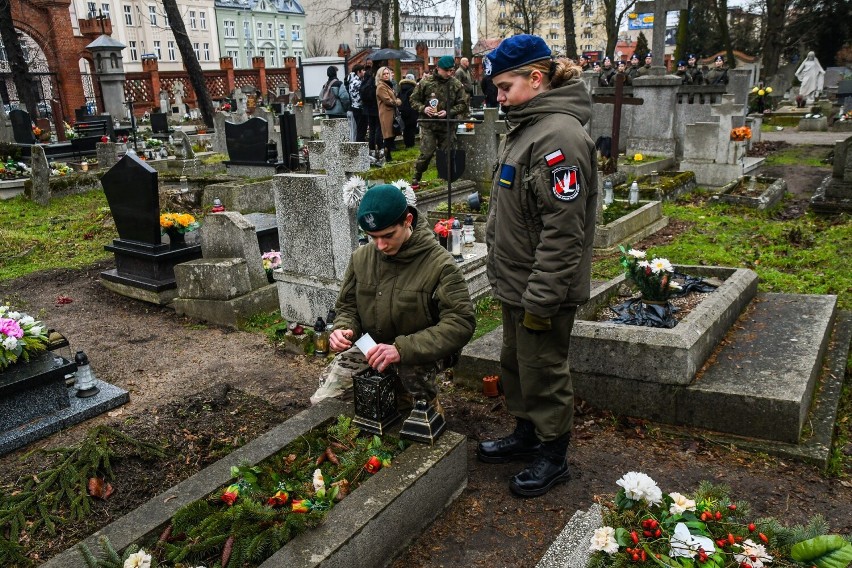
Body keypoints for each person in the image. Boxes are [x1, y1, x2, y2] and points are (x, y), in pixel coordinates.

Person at [478, 34, 598, 497]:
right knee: (517, 364)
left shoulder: (559, 138)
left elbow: (564, 232)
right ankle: (527, 434)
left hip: (541, 289)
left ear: (537, 77)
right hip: (518, 283)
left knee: (544, 370)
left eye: (506, 86)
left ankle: (553, 455)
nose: (499, 96)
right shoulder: (530, 125)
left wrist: (542, 299)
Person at [309, 184, 476, 421]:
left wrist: (401, 349)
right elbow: (347, 306)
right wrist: (343, 328)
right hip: (373, 346)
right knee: (325, 403)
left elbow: (461, 323)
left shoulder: (440, 264)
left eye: (388, 236)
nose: (380, 246)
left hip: (422, 350)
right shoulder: (361, 259)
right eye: (372, 237)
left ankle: (423, 403)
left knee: (413, 412)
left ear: (408, 220)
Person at [409, 55, 468, 189]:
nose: (448, 73)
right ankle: (416, 176)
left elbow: (463, 104)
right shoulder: (425, 83)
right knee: (427, 153)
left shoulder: (456, 84)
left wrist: (449, 112)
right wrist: (423, 108)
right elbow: (413, 100)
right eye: (446, 70)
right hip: (428, 125)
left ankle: (445, 180)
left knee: (447, 154)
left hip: (447, 125)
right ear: (438, 68)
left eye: (451, 70)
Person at [376, 66, 402, 162]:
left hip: (392, 112)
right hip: (386, 113)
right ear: (380, 75)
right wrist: (397, 102)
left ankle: (387, 155)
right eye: (384, 74)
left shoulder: (388, 85)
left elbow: (394, 97)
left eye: (387, 73)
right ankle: (386, 156)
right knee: (388, 135)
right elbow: (388, 100)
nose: (386, 75)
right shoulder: (381, 86)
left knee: (392, 134)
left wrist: (395, 100)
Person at [359, 64, 383, 165]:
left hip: (368, 110)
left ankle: (372, 149)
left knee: (372, 130)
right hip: (376, 108)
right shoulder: (375, 81)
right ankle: (379, 148)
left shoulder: (365, 81)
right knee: (378, 129)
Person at [398, 73, 419, 148]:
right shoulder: (413, 89)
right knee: (411, 128)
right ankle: (411, 144)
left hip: (403, 111)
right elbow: (414, 100)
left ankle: (406, 143)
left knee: (406, 128)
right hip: (412, 111)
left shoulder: (401, 88)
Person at [349, 64, 367, 142]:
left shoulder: (353, 81)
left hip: (356, 107)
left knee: (361, 129)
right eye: (363, 70)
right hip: (358, 108)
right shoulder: (357, 82)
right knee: (361, 129)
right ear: (358, 72)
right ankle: (360, 145)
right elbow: (359, 96)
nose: (364, 72)